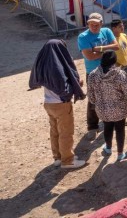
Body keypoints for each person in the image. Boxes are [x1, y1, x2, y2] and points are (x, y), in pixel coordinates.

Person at [29, 40, 86, 169]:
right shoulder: (57, 66)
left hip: (49, 103)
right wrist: (76, 85)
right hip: (61, 104)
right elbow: (63, 87)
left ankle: (58, 157)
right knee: (66, 132)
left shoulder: (43, 62)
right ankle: (68, 160)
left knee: (54, 131)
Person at [87, 51, 127, 162]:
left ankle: (108, 148)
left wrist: (97, 103)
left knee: (107, 128)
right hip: (120, 109)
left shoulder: (93, 75)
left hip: (102, 110)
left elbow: (91, 96)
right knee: (120, 129)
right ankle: (120, 153)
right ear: (114, 61)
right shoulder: (120, 74)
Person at [78, 12, 119, 140]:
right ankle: (92, 126)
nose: (94, 27)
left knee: (113, 95)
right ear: (88, 24)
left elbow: (116, 46)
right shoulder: (83, 37)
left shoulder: (106, 31)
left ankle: (115, 119)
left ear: (101, 24)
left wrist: (98, 48)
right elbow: (89, 56)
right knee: (93, 100)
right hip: (93, 71)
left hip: (110, 70)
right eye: (91, 25)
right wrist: (107, 52)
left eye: (96, 25)